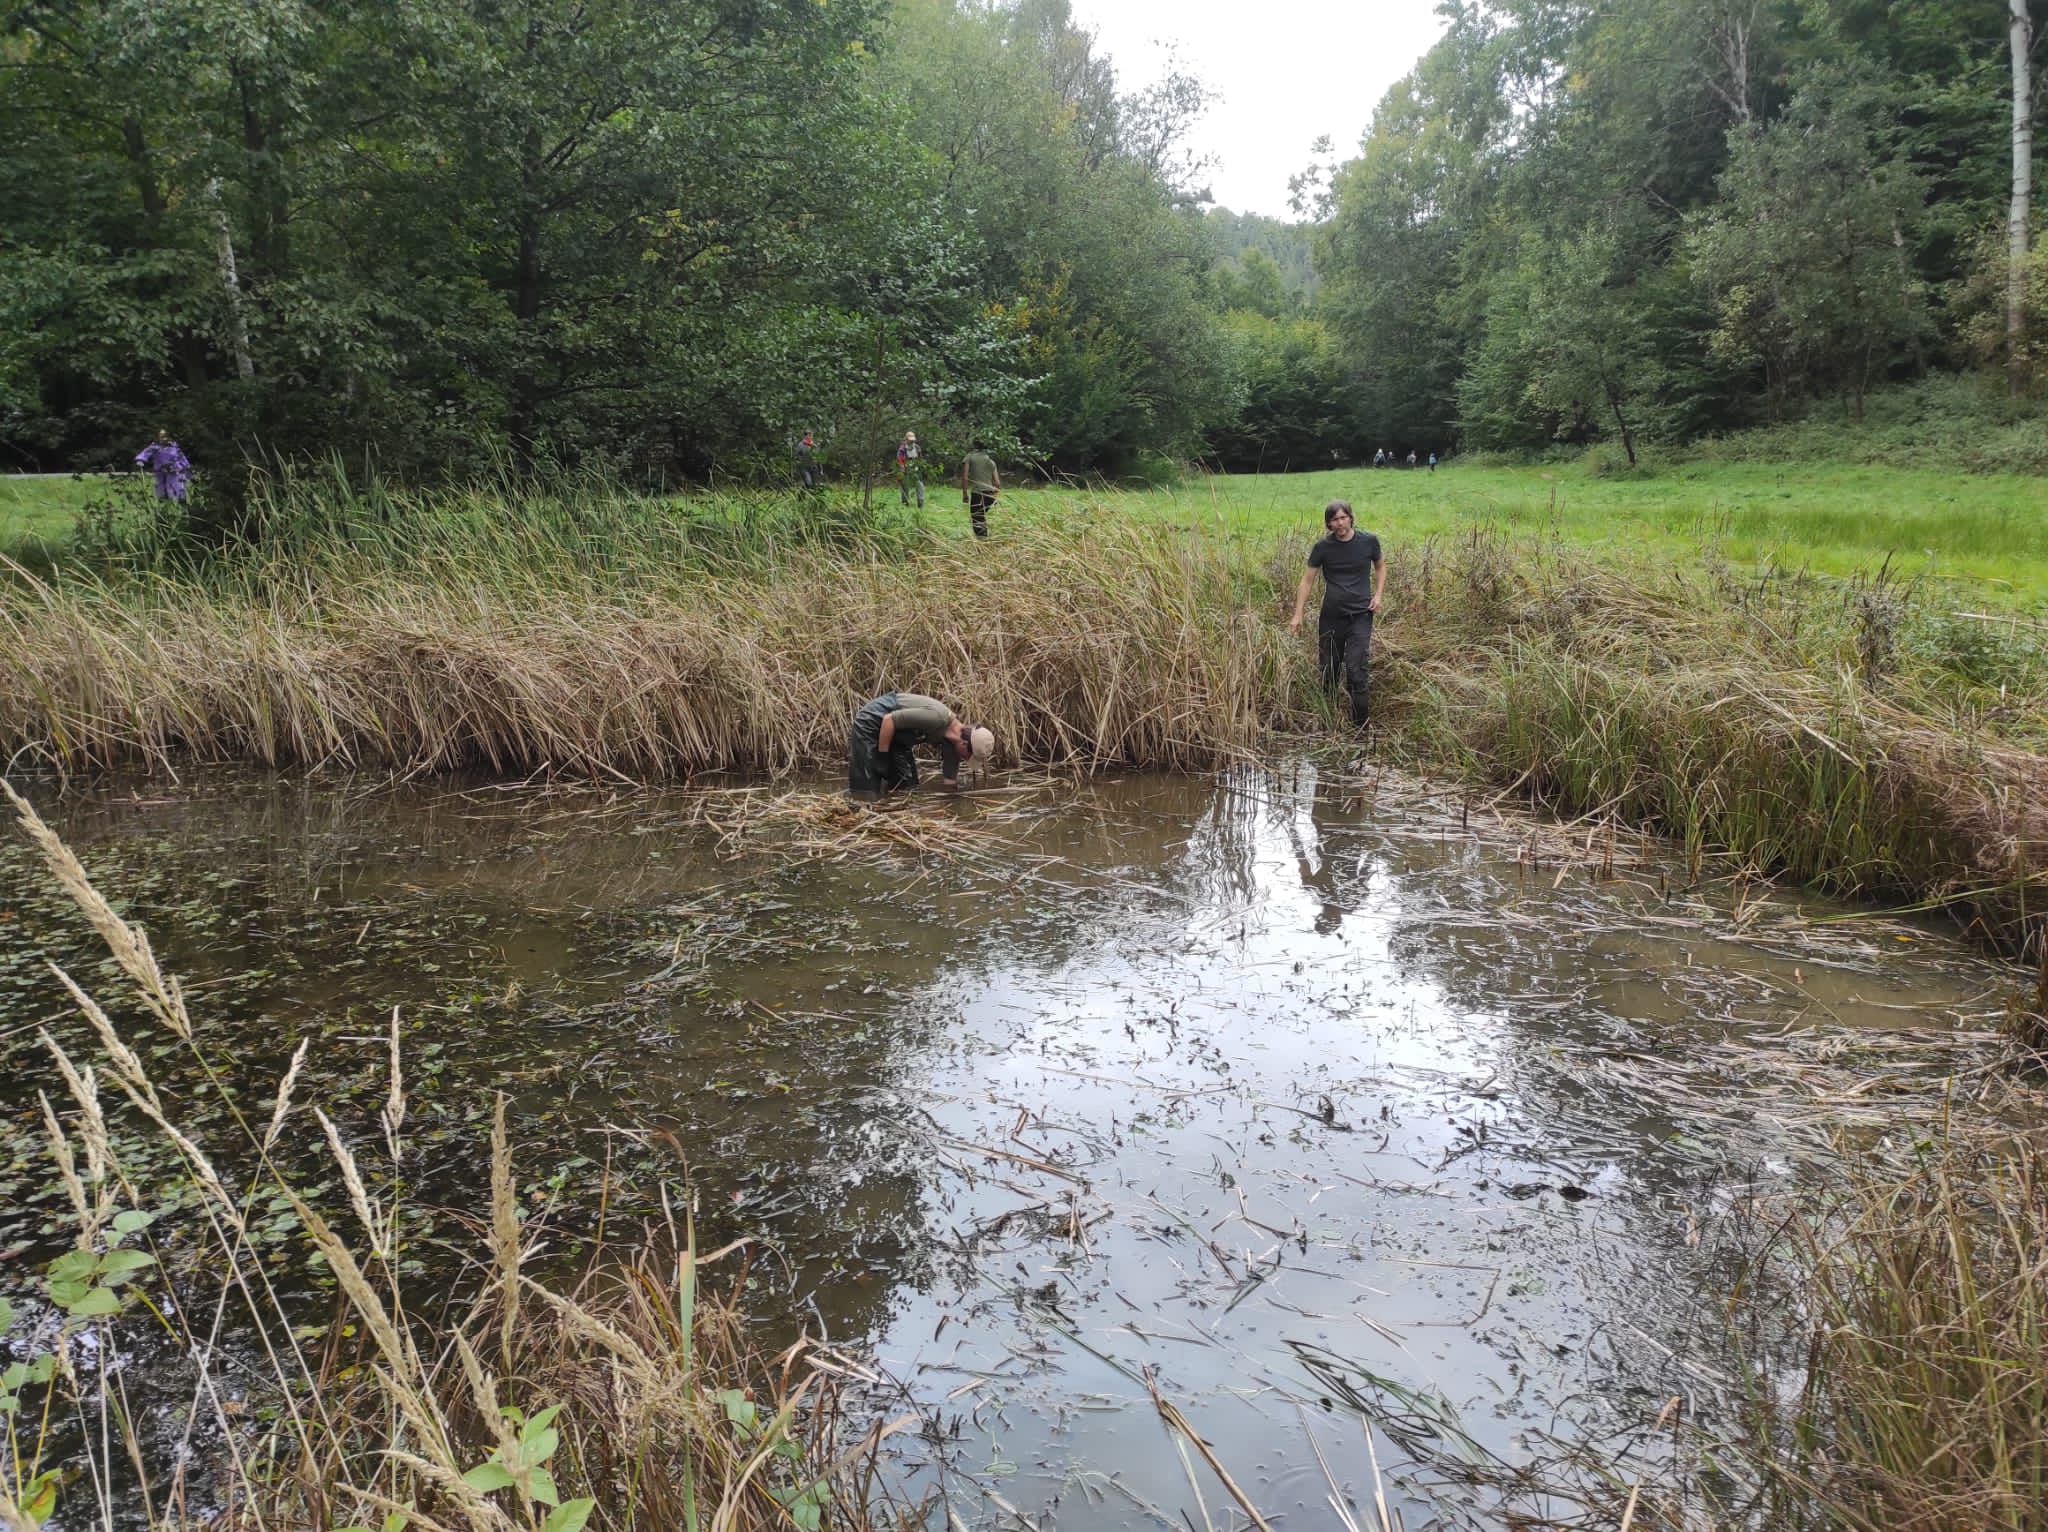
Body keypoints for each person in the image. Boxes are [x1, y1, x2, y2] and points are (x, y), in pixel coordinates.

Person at [1289, 499, 1385, 728]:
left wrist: (1379, 595)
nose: (1340, 523)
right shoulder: (1323, 547)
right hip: (1331, 617)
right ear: (1329, 524)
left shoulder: (1369, 541)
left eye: (1343, 517)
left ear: (1351, 518)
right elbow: (1307, 580)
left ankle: (1360, 728)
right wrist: (1298, 614)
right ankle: (1328, 721)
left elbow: (1381, 567)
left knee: (1356, 669)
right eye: (1334, 519)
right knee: (1329, 669)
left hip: (1361, 615)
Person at [847, 691, 992, 796]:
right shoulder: (938, 717)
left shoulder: (952, 746)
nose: (966, 760)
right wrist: (883, 757)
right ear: (964, 744)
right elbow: (889, 720)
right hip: (872, 723)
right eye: (969, 757)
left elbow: (950, 783)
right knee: (866, 788)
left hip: (897, 740)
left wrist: (953, 802)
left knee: (909, 788)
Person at [135, 430, 192, 502]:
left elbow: (182, 458)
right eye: (162, 437)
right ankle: (163, 505)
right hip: (160, 471)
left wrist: (187, 469)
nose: (164, 439)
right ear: (158, 437)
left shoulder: (174, 447)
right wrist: (141, 460)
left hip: (174, 471)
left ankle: (180, 502)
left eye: (165, 437)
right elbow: (146, 453)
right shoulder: (154, 447)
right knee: (160, 490)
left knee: (176, 488)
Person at [960, 441, 999, 538]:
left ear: (975, 447)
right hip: (990, 495)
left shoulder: (970, 457)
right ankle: (986, 540)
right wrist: (995, 495)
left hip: (978, 494)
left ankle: (982, 544)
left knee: (977, 519)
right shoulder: (991, 461)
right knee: (981, 517)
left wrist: (965, 494)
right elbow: (997, 483)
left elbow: (965, 477)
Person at [897, 431, 924, 508]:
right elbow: (900, 460)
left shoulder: (917, 447)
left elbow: (920, 459)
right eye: (910, 439)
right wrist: (902, 470)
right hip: (905, 469)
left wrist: (920, 467)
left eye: (913, 439)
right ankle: (905, 504)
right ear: (906, 439)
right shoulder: (902, 449)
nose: (912, 441)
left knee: (920, 486)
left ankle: (920, 504)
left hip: (916, 469)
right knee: (905, 487)